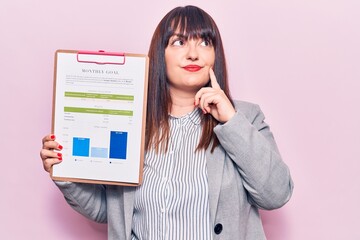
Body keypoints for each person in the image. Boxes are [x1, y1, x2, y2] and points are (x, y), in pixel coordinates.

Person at [40, 5, 293, 240]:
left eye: (204, 42)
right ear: (160, 54)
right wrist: (65, 172)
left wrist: (230, 120)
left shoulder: (245, 117)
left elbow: (276, 193)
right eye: (179, 42)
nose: (193, 54)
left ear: (216, 55)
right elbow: (108, 211)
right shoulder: (131, 123)